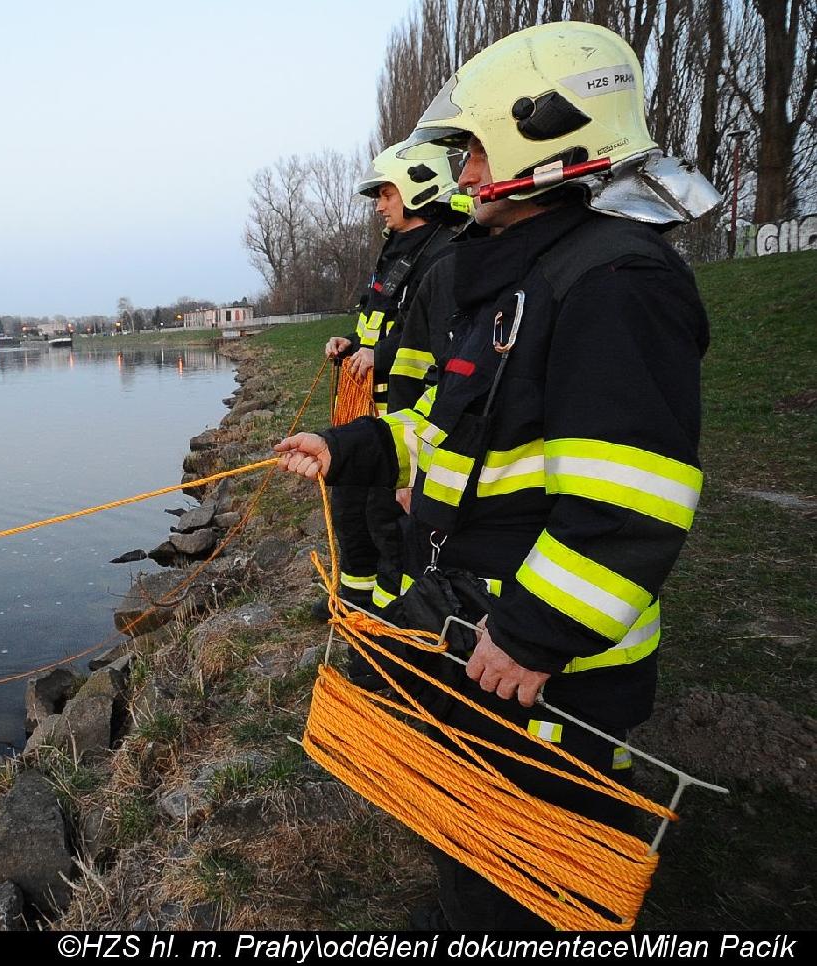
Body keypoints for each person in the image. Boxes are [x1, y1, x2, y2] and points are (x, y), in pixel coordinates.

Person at [277, 21, 719, 929]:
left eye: (474, 150)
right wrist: (347, 448)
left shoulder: (614, 283)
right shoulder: (527, 277)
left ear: (544, 139)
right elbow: (456, 431)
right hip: (480, 620)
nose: (465, 174)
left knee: (529, 871)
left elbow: (627, 503)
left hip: (543, 663)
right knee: (473, 837)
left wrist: (531, 633)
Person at [320, 143, 461, 617]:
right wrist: (350, 343)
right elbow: (378, 319)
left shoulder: (445, 254)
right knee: (349, 508)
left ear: (419, 188)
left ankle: (387, 617)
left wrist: (378, 355)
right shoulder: (396, 251)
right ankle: (353, 600)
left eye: (386, 193)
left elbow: (429, 337)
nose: (379, 205)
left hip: (402, 414)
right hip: (364, 409)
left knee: (388, 521)